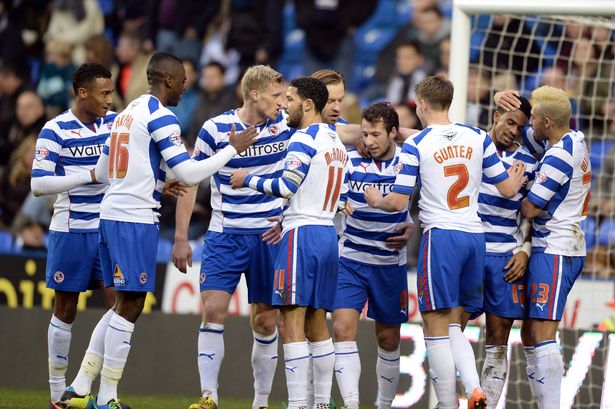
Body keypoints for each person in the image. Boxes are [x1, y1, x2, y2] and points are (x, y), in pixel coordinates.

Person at [86, 51, 257, 409]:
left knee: (121, 304)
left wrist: (153, 183)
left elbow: (105, 172)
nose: (185, 87)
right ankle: (107, 398)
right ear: (168, 81)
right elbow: (191, 174)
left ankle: (80, 385)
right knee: (130, 305)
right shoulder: (161, 117)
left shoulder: (126, 113)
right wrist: (231, 149)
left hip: (112, 213)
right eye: (182, 81)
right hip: (133, 219)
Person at [365, 76, 527, 409]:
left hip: (442, 237)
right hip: (474, 237)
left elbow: (397, 202)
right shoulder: (478, 137)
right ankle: (474, 388)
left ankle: (448, 405)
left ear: (422, 104)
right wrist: (514, 179)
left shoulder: (417, 145)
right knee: (455, 323)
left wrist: (374, 200)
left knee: (435, 327)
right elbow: (508, 190)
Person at [230, 76, 350, 409]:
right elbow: (343, 192)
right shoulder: (336, 142)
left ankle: (298, 403)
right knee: (317, 321)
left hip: (302, 236)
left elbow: (287, 185)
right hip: (327, 235)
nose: (285, 104)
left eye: (292, 99)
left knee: (291, 319)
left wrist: (246, 179)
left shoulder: (303, 138)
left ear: (308, 105)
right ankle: (322, 403)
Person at [173, 65, 288, 409]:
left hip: (269, 235)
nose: (283, 103)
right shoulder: (216, 128)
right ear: (255, 94)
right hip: (226, 233)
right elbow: (190, 179)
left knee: (266, 319)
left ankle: (261, 402)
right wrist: (181, 235)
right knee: (214, 309)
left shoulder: (285, 126)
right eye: (276, 96)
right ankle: (209, 397)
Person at [30, 63, 118, 409]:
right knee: (66, 308)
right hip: (71, 230)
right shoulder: (55, 130)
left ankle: (106, 392)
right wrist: (89, 174)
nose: (110, 100)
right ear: (83, 93)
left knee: (122, 304)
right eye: (104, 93)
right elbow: (38, 184)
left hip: (109, 229)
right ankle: (57, 394)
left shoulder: (114, 125)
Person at [333, 102, 412, 409]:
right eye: (365, 133)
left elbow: (423, 201)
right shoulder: (349, 158)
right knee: (341, 329)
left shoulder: (408, 159)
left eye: (376, 134)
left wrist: (413, 225)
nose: (368, 141)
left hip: (389, 262)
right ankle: (351, 404)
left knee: (389, 340)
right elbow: (331, 193)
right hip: (350, 258)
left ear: (394, 133)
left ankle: (384, 406)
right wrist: (340, 204)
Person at [520, 86, 590, 409]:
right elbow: (533, 138)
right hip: (559, 245)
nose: (528, 122)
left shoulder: (559, 156)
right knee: (531, 334)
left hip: (556, 247)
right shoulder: (573, 139)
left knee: (544, 332)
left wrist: (519, 185)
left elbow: (531, 208)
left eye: (533, 117)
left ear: (547, 121)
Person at [475, 95, 538, 408]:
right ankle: (450, 400)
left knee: (497, 340)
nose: (513, 130)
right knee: (449, 328)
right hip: (469, 251)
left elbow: (534, 213)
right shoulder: (470, 146)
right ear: (496, 115)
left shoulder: (529, 164)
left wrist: (525, 249)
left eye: (520, 126)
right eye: (509, 122)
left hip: (505, 260)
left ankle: (484, 404)